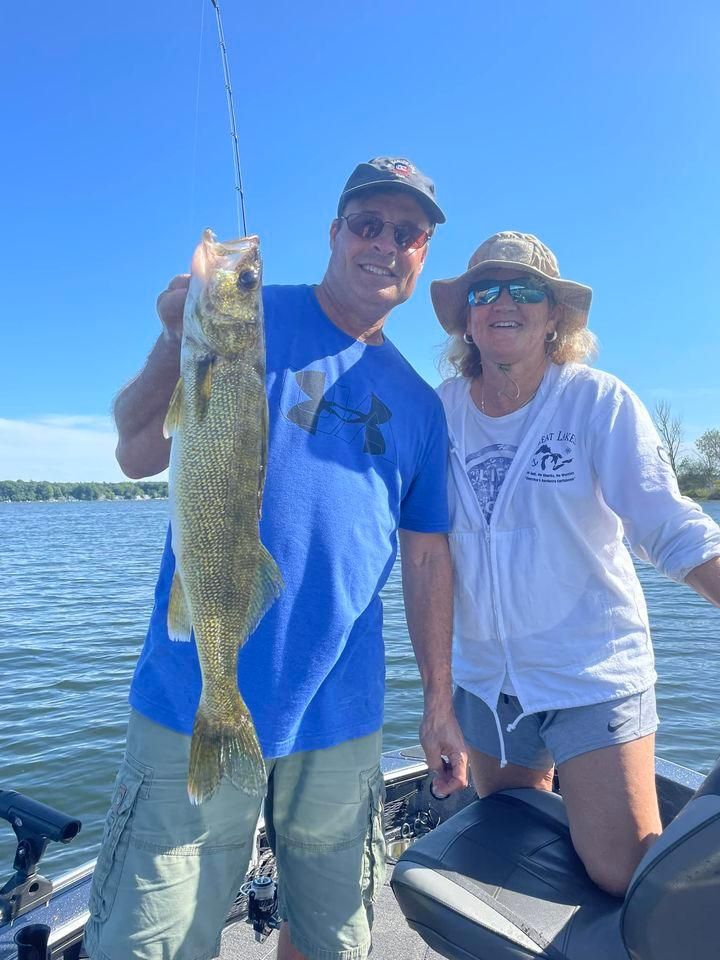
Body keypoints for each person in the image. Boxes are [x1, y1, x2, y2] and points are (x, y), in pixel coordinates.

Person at [83, 157, 468, 960]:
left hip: (343, 711)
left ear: (424, 252)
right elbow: (132, 449)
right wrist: (173, 335)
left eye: (408, 232)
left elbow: (427, 561)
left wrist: (439, 702)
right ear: (334, 234)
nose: (385, 244)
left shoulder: (424, 407)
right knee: (149, 943)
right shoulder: (254, 321)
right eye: (368, 224)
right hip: (196, 692)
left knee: (333, 938)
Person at [431, 230, 720, 897]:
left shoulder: (598, 402)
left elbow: (670, 526)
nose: (505, 302)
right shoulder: (437, 412)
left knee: (623, 873)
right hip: (486, 684)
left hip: (592, 674)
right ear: (467, 317)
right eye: (486, 290)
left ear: (555, 315)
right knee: (516, 833)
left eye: (526, 289)